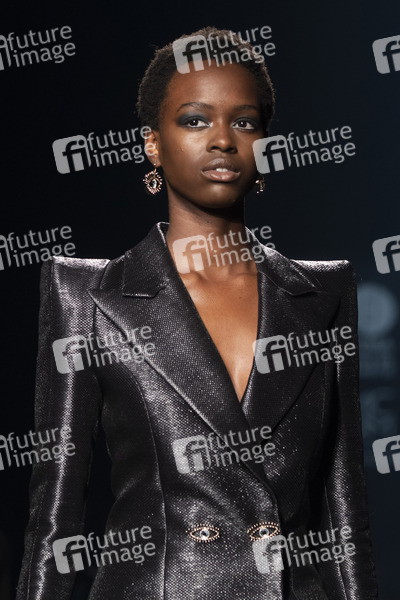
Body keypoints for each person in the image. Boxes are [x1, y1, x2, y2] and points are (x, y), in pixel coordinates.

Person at [17, 27, 379, 599]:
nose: (223, 140)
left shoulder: (323, 294)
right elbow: (55, 522)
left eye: (245, 122)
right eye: (194, 120)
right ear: (152, 143)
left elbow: (344, 514)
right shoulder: (87, 294)